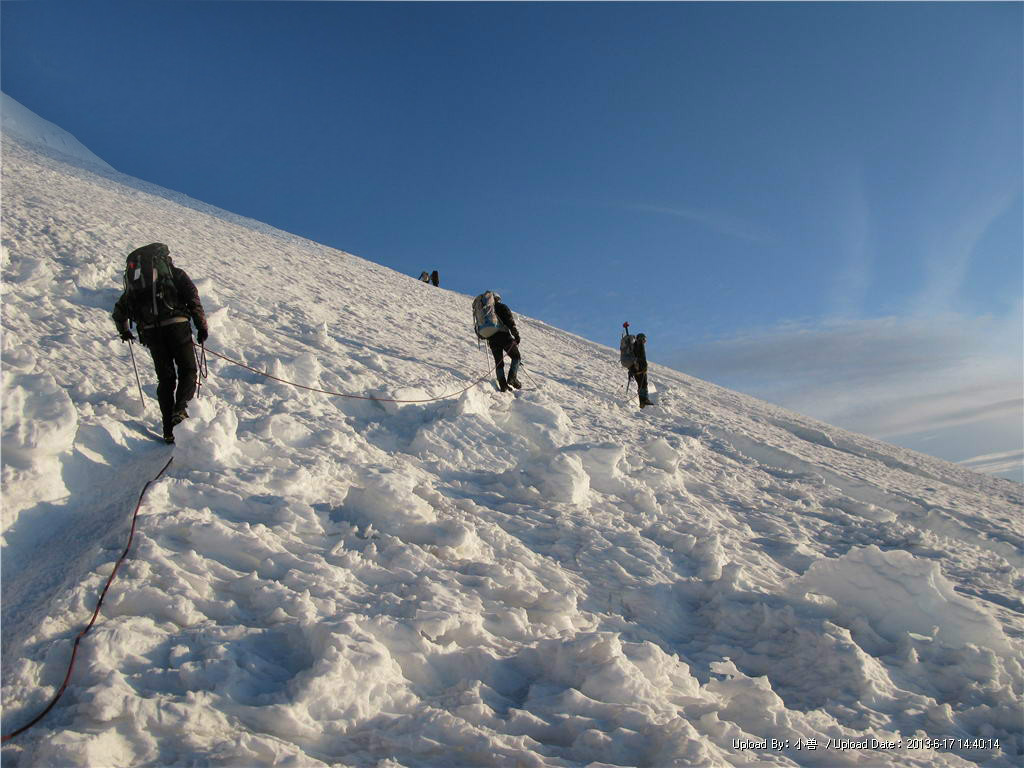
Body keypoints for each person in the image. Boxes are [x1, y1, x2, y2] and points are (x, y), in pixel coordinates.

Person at [112, 243, 208, 444]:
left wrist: (125, 331)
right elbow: (192, 297)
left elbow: (120, 311)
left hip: (151, 333)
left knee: (166, 379)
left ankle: (168, 430)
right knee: (188, 370)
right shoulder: (173, 274)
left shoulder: (136, 281)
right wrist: (201, 326)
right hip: (177, 327)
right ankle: (180, 410)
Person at [486, 294, 522, 392]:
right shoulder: (502, 307)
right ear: (498, 299)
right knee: (516, 357)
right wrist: (516, 335)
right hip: (504, 336)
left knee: (499, 363)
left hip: (492, 340)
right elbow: (510, 321)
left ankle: (503, 385)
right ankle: (512, 378)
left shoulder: (486, 311)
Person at [628, 333, 652, 408]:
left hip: (634, 369)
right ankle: (644, 400)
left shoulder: (633, 346)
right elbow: (642, 356)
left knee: (640, 384)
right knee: (644, 384)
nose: (645, 341)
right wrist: (645, 366)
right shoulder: (640, 343)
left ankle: (642, 402)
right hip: (640, 368)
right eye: (645, 339)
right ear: (642, 338)